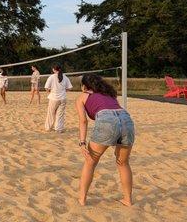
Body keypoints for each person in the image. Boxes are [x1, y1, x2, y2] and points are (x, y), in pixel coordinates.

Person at [75, 74, 135, 207]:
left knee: (90, 162)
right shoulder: (110, 94)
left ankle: (82, 199)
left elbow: (83, 121)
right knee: (123, 163)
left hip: (107, 121)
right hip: (127, 120)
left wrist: (82, 142)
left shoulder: (82, 96)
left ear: (84, 86)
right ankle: (128, 200)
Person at [44, 64, 73, 132]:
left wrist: (50, 92)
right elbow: (70, 88)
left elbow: (46, 88)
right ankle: (59, 128)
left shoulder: (51, 77)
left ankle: (48, 128)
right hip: (63, 98)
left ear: (54, 69)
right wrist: (64, 91)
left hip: (54, 98)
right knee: (60, 114)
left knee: (51, 113)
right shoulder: (65, 77)